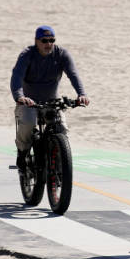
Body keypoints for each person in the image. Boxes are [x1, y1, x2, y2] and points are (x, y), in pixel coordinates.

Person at [10, 26, 89, 171]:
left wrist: (81, 94)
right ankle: (22, 153)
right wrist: (20, 97)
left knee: (62, 129)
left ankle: (58, 164)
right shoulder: (27, 55)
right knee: (28, 123)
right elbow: (17, 77)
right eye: (44, 40)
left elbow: (73, 75)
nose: (48, 44)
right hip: (29, 102)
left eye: (52, 40)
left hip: (52, 102)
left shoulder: (62, 54)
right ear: (36, 41)